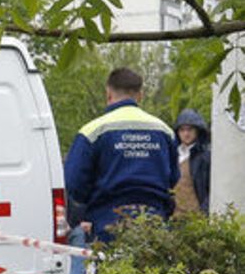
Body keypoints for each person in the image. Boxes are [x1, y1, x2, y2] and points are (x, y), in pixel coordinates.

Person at [64, 68, 179, 243]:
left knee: (110, 270)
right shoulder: (164, 131)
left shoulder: (92, 131)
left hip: (106, 224)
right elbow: (173, 177)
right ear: (140, 95)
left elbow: (73, 183)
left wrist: (82, 211)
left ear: (108, 93)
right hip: (154, 221)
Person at [173, 108, 212, 214]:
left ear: (197, 130)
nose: (186, 134)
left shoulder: (206, 156)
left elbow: (212, 190)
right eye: (182, 130)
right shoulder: (173, 155)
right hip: (174, 217)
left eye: (190, 129)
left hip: (197, 218)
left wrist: (204, 213)